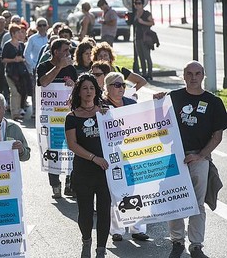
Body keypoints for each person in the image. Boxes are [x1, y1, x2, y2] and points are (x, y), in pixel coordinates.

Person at [155, 61, 227, 258]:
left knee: (197, 203)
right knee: (175, 200)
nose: (193, 77)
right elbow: (157, 127)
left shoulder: (214, 102)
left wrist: (200, 155)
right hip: (174, 157)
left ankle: (196, 245)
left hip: (200, 158)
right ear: (183, 76)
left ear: (203, 75)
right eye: (189, 73)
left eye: (197, 73)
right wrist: (157, 104)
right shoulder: (173, 98)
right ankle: (177, 242)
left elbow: (217, 135)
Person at [65, 74, 110, 258]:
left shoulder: (105, 112)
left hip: (105, 171)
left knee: (104, 211)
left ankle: (101, 249)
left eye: (92, 88)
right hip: (83, 171)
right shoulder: (72, 117)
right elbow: (72, 145)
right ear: (79, 91)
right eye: (85, 88)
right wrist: (93, 158)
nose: (89, 92)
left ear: (96, 91)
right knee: (85, 213)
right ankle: (86, 241)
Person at [101, 72, 149, 242]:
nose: (121, 88)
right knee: (117, 191)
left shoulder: (131, 103)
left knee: (137, 190)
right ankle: (117, 230)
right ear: (107, 88)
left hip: (132, 152)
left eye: (123, 85)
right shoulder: (101, 106)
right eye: (117, 85)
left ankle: (138, 228)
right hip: (112, 155)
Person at [37, 38, 78, 199]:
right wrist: (59, 67)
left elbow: (77, 89)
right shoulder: (44, 66)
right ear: (56, 52)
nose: (68, 53)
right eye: (65, 50)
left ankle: (70, 183)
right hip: (50, 118)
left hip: (67, 116)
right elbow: (43, 82)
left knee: (70, 150)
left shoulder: (71, 68)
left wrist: (72, 85)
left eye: (69, 50)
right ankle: (55, 185)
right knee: (53, 150)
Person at [2, 24, 30, 121]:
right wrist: (14, 59)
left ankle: (19, 110)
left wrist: (21, 59)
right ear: (13, 34)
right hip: (11, 72)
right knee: (14, 92)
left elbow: (25, 57)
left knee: (21, 91)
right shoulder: (7, 45)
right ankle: (15, 113)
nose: (20, 34)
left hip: (21, 72)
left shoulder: (22, 45)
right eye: (18, 32)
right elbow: (3, 59)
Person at [24, 18, 49, 118]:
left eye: (44, 25)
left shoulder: (51, 37)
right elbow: (26, 54)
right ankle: (35, 111)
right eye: (40, 25)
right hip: (37, 68)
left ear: (47, 26)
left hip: (50, 68)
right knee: (36, 90)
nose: (42, 27)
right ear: (37, 27)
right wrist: (34, 65)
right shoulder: (32, 39)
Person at [133, 0, 155, 80]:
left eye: (139, 3)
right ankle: (144, 74)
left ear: (142, 4)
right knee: (141, 57)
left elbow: (152, 23)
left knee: (147, 56)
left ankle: (150, 74)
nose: (137, 5)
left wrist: (143, 22)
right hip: (137, 38)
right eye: (136, 3)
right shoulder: (135, 14)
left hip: (145, 38)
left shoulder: (146, 13)